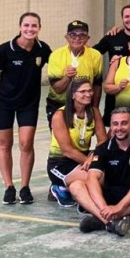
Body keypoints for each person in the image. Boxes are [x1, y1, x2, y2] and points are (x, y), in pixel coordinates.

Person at [70, 107, 130, 236]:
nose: (119, 128)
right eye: (115, 124)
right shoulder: (103, 148)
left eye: (124, 123)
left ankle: (116, 216)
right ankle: (108, 220)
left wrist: (119, 207)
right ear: (111, 127)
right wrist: (104, 208)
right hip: (109, 199)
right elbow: (92, 178)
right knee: (75, 185)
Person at [0, 12, 52, 204]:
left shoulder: (43, 49)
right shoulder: (4, 50)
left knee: (26, 144)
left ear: (39, 28)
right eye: (26, 25)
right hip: (4, 103)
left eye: (34, 26)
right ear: (20, 27)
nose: (30, 29)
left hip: (29, 103)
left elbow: (59, 63)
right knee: (4, 144)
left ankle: (25, 187)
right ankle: (9, 186)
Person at [46, 79, 107, 207]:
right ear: (73, 95)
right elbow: (67, 150)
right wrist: (91, 162)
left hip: (83, 158)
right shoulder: (60, 115)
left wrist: (93, 156)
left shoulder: (94, 112)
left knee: (109, 173)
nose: (88, 94)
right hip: (61, 162)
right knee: (99, 180)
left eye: (90, 90)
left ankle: (67, 189)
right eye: (83, 91)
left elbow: (103, 140)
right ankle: (59, 187)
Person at [46, 20, 103, 127]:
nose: (77, 38)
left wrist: (94, 109)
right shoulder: (55, 55)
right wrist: (67, 77)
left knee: (82, 141)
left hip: (84, 105)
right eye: (73, 35)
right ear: (66, 37)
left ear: (87, 38)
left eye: (82, 35)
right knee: (59, 140)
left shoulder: (95, 55)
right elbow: (57, 89)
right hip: (58, 104)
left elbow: (97, 85)